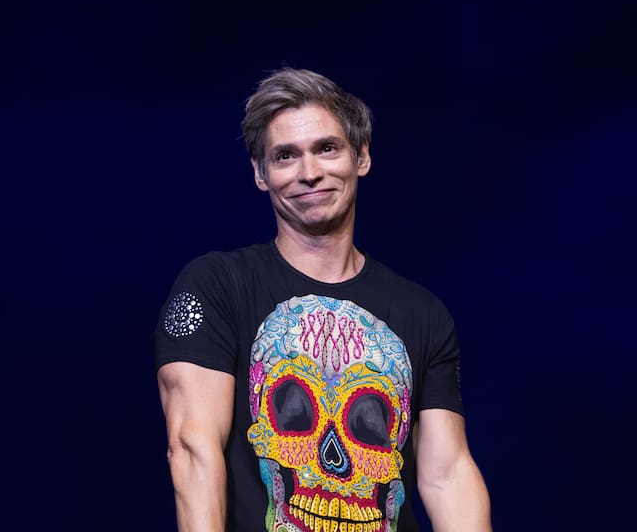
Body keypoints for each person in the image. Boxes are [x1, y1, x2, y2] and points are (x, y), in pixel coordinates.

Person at [155, 68, 492, 532]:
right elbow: (193, 447)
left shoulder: (421, 312)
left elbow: (448, 474)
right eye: (285, 155)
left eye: (327, 148)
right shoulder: (215, 286)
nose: (309, 172)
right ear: (260, 173)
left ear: (362, 156)